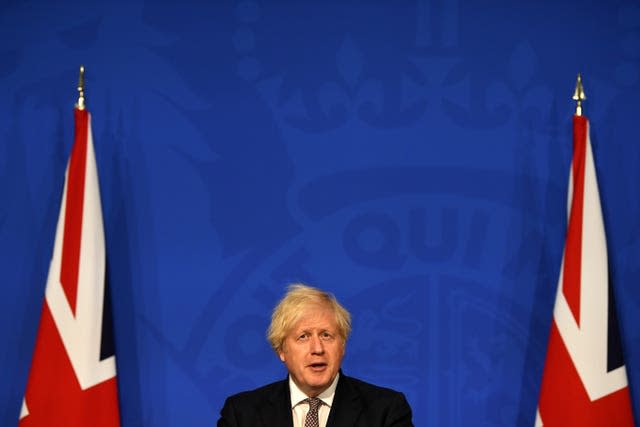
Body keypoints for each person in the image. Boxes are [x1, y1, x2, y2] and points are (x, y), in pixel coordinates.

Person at [217, 283, 414, 427]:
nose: (317, 348)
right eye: (303, 337)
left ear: (342, 346)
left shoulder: (386, 411)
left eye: (326, 335)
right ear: (281, 350)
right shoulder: (242, 415)